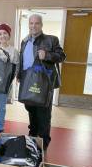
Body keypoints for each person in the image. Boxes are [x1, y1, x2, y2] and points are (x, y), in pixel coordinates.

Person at [17, 14, 66, 150]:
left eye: (36, 23)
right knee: (31, 111)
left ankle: (43, 143)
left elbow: (62, 56)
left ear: (41, 25)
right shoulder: (25, 41)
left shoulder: (52, 40)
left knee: (44, 115)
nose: (33, 26)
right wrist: (19, 75)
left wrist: (47, 55)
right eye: (31, 23)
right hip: (27, 82)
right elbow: (22, 60)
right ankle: (32, 136)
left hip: (44, 85)